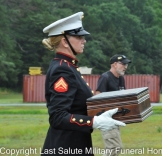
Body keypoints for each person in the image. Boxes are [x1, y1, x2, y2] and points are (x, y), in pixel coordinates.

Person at [41, 12, 126, 156]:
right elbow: (58, 116)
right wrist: (95, 122)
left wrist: (104, 112)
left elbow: (76, 106)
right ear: (65, 41)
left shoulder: (68, 67)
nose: (84, 40)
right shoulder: (63, 69)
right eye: (79, 37)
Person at [95, 54, 131, 156]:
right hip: (107, 119)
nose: (125, 67)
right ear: (115, 64)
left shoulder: (121, 79)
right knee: (114, 148)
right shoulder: (105, 77)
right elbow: (97, 96)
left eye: (126, 65)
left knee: (115, 149)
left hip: (116, 119)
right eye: (123, 64)